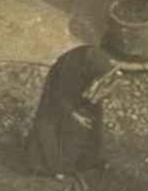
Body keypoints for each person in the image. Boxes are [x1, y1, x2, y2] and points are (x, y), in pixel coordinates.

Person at [23, 45, 119, 176]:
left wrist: (98, 94)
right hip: (62, 88)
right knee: (52, 122)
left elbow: (108, 81)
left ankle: (90, 159)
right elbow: (61, 97)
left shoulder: (101, 65)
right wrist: (75, 115)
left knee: (92, 116)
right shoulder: (69, 72)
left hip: (84, 77)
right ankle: (52, 166)